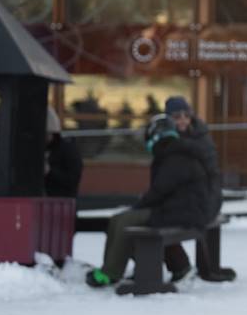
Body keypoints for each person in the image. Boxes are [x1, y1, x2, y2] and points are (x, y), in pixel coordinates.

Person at [85, 115, 213, 289]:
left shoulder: (174, 155)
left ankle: (111, 273)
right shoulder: (172, 153)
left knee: (125, 221)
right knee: (118, 219)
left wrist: (138, 206)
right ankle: (110, 269)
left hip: (184, 211)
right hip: (179, 208)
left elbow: (159, 191)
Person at [160, 95, 234, 283]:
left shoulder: (197, 139)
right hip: (193, 198)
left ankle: (179, 265)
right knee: (150, 217)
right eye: (177, 116)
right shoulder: (167, 137)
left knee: (153, 220)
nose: (183, 119)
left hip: (205, 199)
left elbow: (201, 176)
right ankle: (179, 264)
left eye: (186, 115)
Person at [42, 107, 83, 199]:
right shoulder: (45, 149)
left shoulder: (68, 150)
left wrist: (50, 172)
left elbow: (72, 180)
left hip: (62, 202)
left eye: (46, 134)